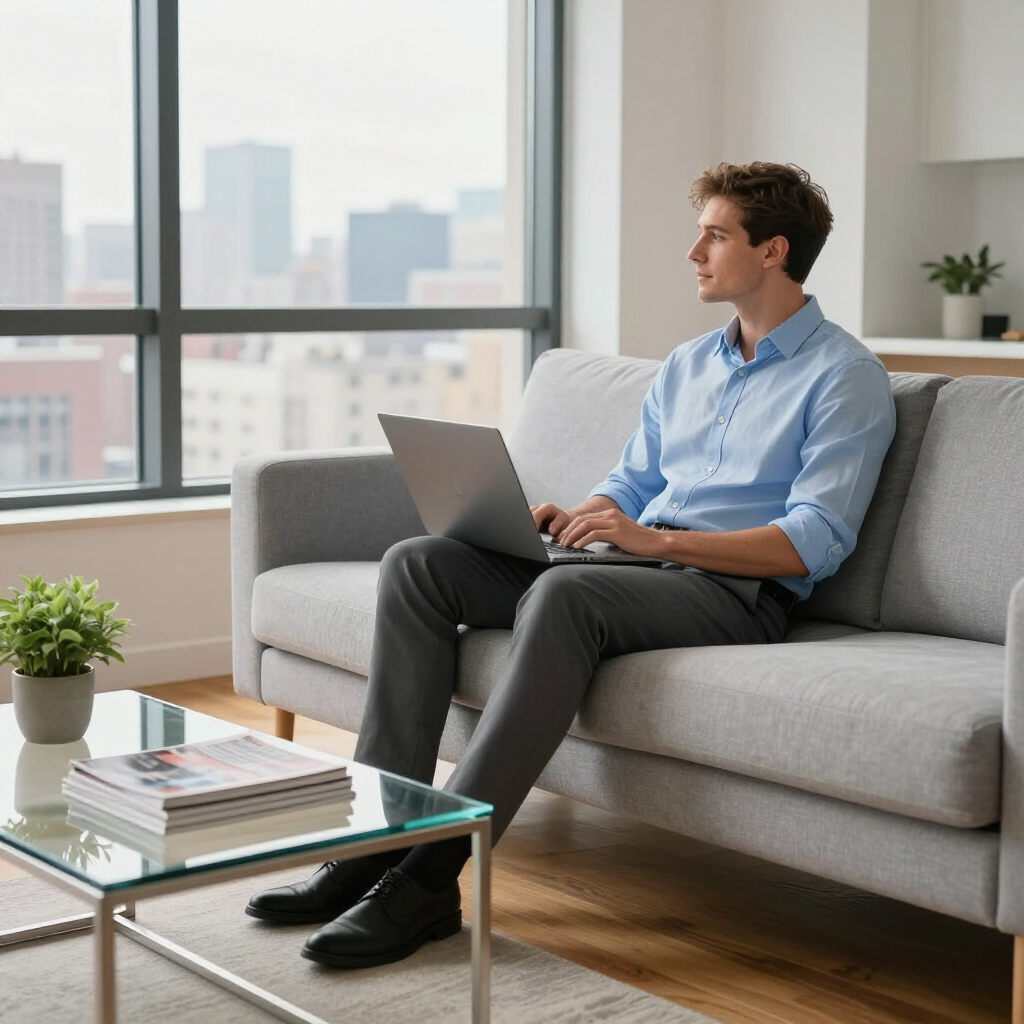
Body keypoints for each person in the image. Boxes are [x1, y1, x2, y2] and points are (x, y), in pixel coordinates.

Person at [247, 161, 897, 969]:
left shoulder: (846, 377)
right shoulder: (690, 363)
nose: (694, 252)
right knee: (422, 564)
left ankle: (428, 880)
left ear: (772, 250)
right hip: (632, 568)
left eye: (715, 235)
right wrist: (580, 513)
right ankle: (375, 845)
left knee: (564, 597)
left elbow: (813, 539)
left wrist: (655, 540)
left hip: (734, 592)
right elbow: (635, 480)